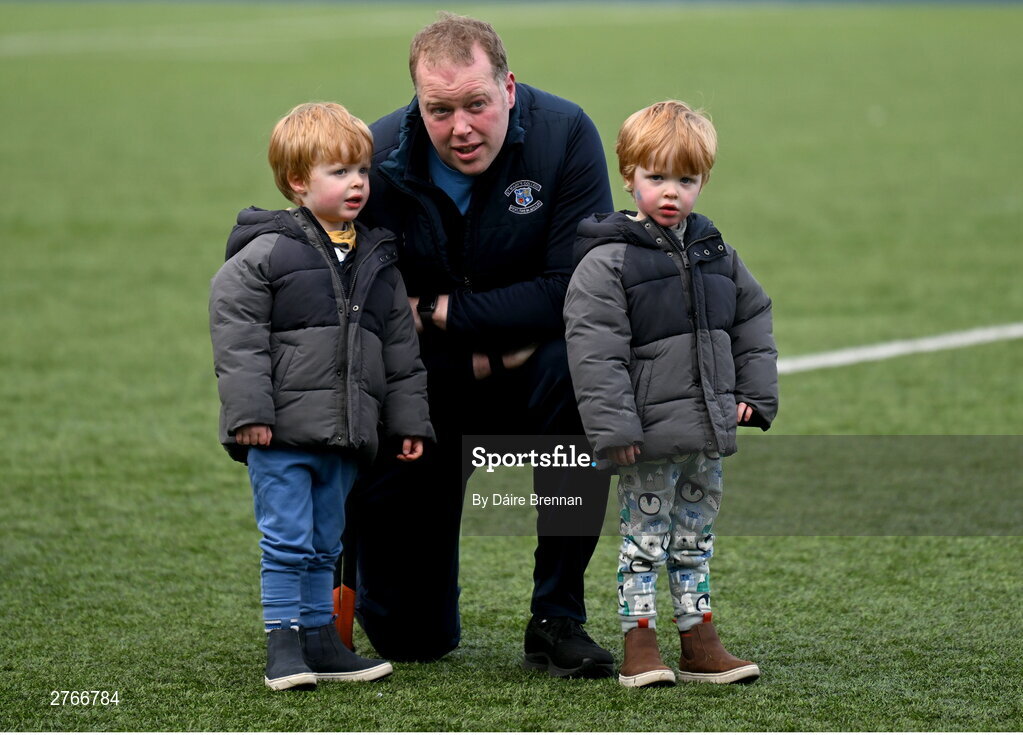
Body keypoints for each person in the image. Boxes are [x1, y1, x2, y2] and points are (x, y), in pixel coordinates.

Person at [338, 13, 615, 676]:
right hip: (423, 396)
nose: (460, 128)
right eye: (439, 110)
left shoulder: (565, 134)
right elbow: (366, 320)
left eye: (475, 105)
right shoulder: (374, 161)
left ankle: (557, 615)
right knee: (411, 639)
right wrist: (480, 349)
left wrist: (437, 307)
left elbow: (572, 288)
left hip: (534, 378)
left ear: (509, 89)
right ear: (417, 103)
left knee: (585, 370)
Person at [209, 102, 434, 690]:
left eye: (361, 170)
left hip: (346, 434)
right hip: (280, 434)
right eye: (338, 171)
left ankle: (320, 639)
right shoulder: (266, 253)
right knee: (286, 539)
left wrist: (408, 421)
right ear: (297, 182)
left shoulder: (377, 258)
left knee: (324, 543)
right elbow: (238, 339)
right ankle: (282, 644)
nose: (357, 183)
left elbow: (401, 352)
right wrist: (250, 416)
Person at [563, 100, 779, 688]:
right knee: (643, 542)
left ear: (703, 180)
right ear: (628, 175)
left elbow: (754, 316)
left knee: (695, 538)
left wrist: (753, 395)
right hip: (647, 439)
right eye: (656, 177)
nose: (670, 193)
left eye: (686, 180)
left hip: (705, 432)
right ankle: (640, 643)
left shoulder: (715, 252)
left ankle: (699, 641)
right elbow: (594, 353)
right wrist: (615, 433)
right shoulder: (606, 261)